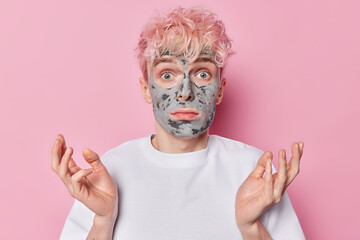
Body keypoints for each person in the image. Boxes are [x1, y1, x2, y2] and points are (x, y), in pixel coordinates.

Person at [51, 6, 305, 240]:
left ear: (219, 90)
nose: (185, 92)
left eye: (202, 73)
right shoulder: (109, 171)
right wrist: (103, 221)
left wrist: (251, 228)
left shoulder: (255, 170)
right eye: (167, 74)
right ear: (146, 88)